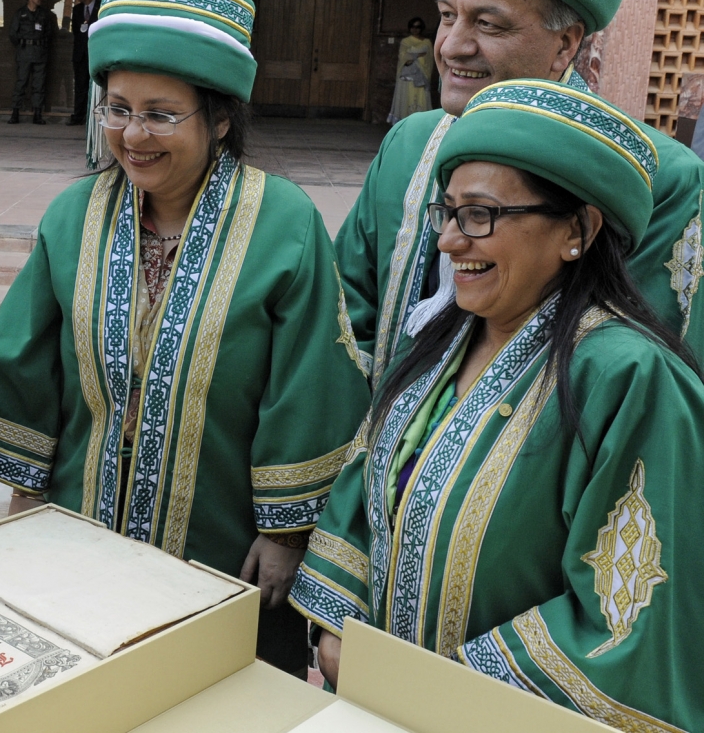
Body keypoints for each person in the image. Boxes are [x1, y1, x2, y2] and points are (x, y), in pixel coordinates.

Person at [0, 0, 372, 676]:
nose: (133, 135)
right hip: (79, 533)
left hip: (225, 548)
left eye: (160, 114)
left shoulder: (284, 223)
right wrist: (25, 500)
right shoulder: (72, 217)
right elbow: (25, 365)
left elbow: (309, 388)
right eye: (116, 109)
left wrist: (288, 536)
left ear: (221, 119)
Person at [292, 80, 704, 731]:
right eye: (447, 213)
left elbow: (629, 620)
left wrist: (434, 691)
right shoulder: (441, 343)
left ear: (578, 229)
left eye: (480, 216)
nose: (451, 242)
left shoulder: (628, 378)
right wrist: (341, 636)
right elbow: (361, 497)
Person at [337, 0, 704, 390]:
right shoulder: (408, 144)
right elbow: (345, 319)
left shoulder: (656, 174)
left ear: (565, 45)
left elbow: (643, 381)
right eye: (448, 16)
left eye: (488, 24)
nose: (453, 46)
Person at [7, 0, 57, 124]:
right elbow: (12, 34)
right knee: (21, 82)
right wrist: (22, 44)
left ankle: (37, 114)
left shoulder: (44, 14)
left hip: (40, 53)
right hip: (24, 53)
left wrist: (42, 46)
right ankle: (15, 113)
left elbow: (49, 33)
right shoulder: (20, 13)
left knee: (39, 84)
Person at [386, 17, 432, 123]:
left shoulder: (427, 42)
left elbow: (429, 60)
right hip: (407, 78)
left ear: (422, 28)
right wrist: (419, 55)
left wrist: (413, 54)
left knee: (420, 99)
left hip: (422, 77)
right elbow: (405, 59)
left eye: (418, 27)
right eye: (412, 26)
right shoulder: (405, 42)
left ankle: (420, 123)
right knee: (406, 99)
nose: (415, 29)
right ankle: (404, 122)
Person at [68, 0, 99, 124]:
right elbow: (75, 31)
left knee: (96, 87)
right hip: (80, 54)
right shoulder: (77, 10)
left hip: (95, 53)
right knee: (80, 86)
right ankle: (78, 115)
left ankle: (94, 117)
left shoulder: (100, 8)